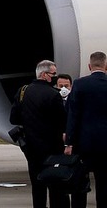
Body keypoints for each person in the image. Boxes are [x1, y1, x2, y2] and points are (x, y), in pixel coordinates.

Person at [9, 59, 68, 208]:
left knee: (37, 188)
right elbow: (62, 122)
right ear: (44, 75)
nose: (55, 77)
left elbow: (13, 118)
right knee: (55, 188)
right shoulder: (53, 95)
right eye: (53, 74)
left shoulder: (23, 91)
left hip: (31, 149)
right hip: (52, 149)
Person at [65, 51, 107, 208]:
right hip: (105, 145)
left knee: (79, 183)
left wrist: (69, 142)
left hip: (84, 143)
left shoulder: (80, 84)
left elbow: (72, 114)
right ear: (106, 66)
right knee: (103, 184)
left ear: (90, 66)